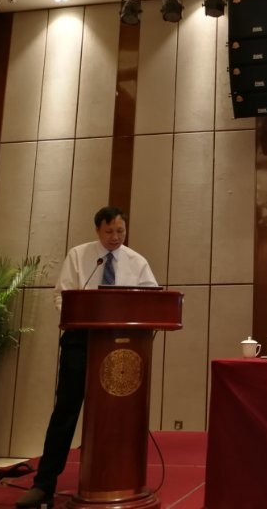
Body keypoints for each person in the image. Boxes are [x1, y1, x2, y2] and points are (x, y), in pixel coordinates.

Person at [16, 206, 157, 508]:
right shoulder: (80, 256)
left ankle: (120, 480)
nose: (115, 237)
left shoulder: (137, 262)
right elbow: (61, 296)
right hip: (81, 342)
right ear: (97, 230)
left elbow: (153, 301)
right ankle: (44, 485)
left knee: (118, 415)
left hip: (122, 347)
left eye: (120, 231)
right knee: (66, 411)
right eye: (109, 232)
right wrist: (80, 317)